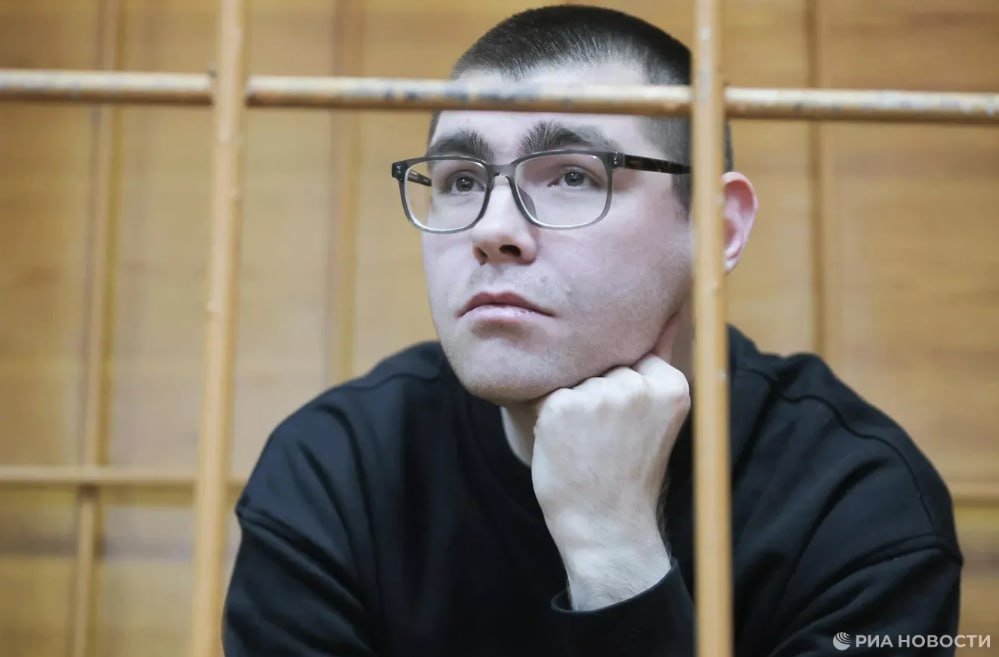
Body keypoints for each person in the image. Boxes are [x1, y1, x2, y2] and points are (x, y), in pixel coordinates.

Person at [222, 5, 962, 656]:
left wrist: (614, 552)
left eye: (573, 176)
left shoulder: (857, 500)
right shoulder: (334, 472)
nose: (492, 229)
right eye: (460, 181)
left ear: (716, 227)